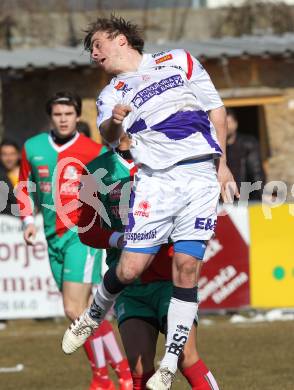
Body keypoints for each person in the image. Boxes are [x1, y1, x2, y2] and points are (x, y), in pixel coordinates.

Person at [62, 16, 237, 390]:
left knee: (187, 267)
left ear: (120, 39)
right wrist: (115, 122)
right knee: (127, 270)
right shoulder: (111, 93)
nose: (93, 54)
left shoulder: (180, 59)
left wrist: (222, 165)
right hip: (156, 181)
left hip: (199, 175)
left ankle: (171, 362)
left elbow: (215, 110)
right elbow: (109, 136)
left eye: (97, 45)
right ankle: (93, 315)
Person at [77, 133, 220, 390]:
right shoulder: (95, 170)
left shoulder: (169, 161)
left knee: (186, 358)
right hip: (129, 288)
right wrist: (118, 239)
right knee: (139, 370)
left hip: (168, 282)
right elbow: (86, 229)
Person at [17, 91, 131, 390]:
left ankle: (109, 376)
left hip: (83, 234)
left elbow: (115, 185)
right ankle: (115, 374)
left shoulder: (93, 150)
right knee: (79, 312)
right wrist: (28, 221)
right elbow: (24, 187)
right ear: (50, 117)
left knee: (73, 310)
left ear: (78, 116)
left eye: (68, 114)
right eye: (58, 114)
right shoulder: (33, 147)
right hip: (52, 236)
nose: (63, 119)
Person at [226, 108, 266, 201]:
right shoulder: (214, 149)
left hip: (246, 198)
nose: (227, 126)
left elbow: (256, 173)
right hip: (223, 199)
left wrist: (261, 197)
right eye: (224, 123)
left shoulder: (248, 144)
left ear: (236, 123)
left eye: (229, 122)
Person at [0, 139, 20, 215]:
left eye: (12, 154)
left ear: (18, 155)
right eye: (4, 154)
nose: (9, 158)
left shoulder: (29, 174)